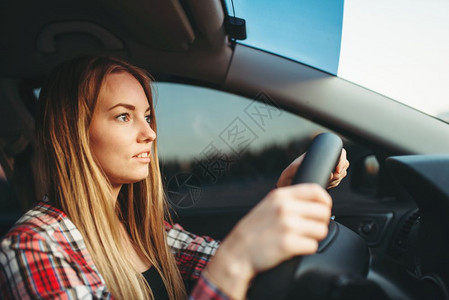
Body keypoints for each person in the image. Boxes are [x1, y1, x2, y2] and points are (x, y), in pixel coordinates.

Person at [0, 56, 349, 300]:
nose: (150, 133)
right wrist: (233, 266)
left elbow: (234, 263)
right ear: (73, 133)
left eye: (148, 116)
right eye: (124, 117)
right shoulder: (34, 245)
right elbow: (230, 265)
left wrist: (284, 197)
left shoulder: (143, 229)